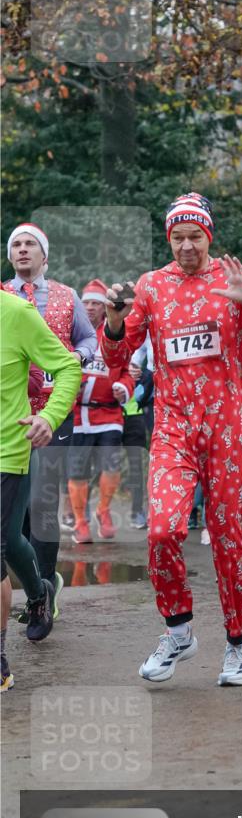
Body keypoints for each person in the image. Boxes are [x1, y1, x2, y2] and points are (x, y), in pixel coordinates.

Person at [101, 192, 242, 687]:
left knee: (229, 537)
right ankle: (179, 630)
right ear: (169, 238)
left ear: (209, 235)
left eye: (196, 236)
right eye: (178, 236)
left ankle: (238, 645)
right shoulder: (152, 286)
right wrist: (114, 321)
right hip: (172, 429)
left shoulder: (236, 277)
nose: (187, 245)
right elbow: (117, 356)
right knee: (164, 530)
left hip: (227, 431)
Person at [3, 223, 96, 622]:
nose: (23, 250)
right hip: (13, 412)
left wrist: (77, 356)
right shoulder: (5, 297)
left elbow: (89, 339)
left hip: (52, 411)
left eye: (30, 245)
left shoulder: (65, 296)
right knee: (16, 518)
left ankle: (42, 592)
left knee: (41, 505)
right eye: (16, 245)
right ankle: (41, 584)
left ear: (44, 254)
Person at [1, 289, 82, 680]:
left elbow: (68, 367)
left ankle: (0, 663)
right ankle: (39, 592)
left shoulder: (17, 313)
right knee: (11, 540)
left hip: (6, 450)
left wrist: (49, 417)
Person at [67, 280, 135, 543]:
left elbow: (129, 370)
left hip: (109, 415)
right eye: (87, 303)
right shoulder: (71, 334)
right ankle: (81, 523)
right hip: (78, 416)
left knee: (112, 465)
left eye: (97, 303)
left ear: (105, 307)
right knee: (78, 470)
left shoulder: (115, 331)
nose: (91, 307)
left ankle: (103, 510)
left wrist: (124, 387)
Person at [122, 336, 154, 529]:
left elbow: (139, 352)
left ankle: (139, 511)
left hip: (137, 409)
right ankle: (84, 514)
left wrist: (134, 367)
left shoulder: (147, 322)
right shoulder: (96, 336)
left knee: (138, 463)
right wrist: (132, 364)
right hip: (104, 412)